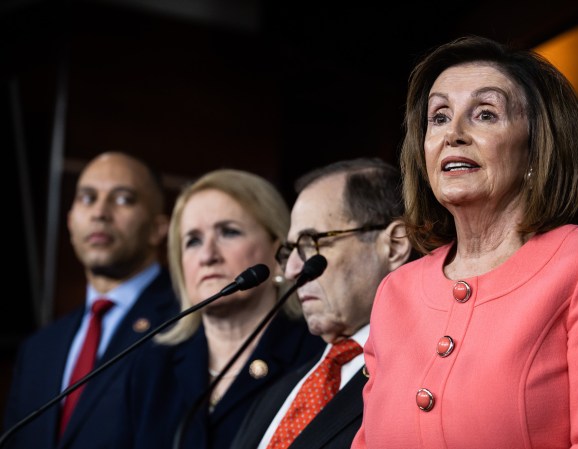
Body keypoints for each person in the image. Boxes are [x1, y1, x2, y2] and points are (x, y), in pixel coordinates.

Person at [351, 35, 578, 448]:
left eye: (485, 114)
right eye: (439, 117)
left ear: (536, 147)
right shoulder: (395, 292)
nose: (453, 134)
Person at [121, 169, 325, 449]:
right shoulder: (152, 366)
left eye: (229, 232)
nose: (207, 256)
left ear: (280, 254)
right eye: (192, 240)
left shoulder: (317, 357)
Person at [230, 157, 415, 449]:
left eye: (311, 243)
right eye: (291, 250)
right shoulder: (278, 390)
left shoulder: (423, 384)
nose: (291, 269)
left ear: (394, 246)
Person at [2, 151, 180, 449]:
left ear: (158, 229)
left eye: (123, 199)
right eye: (87, 198)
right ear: (71, 222)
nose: (100, 212)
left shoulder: (185, 322)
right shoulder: (37, 348)